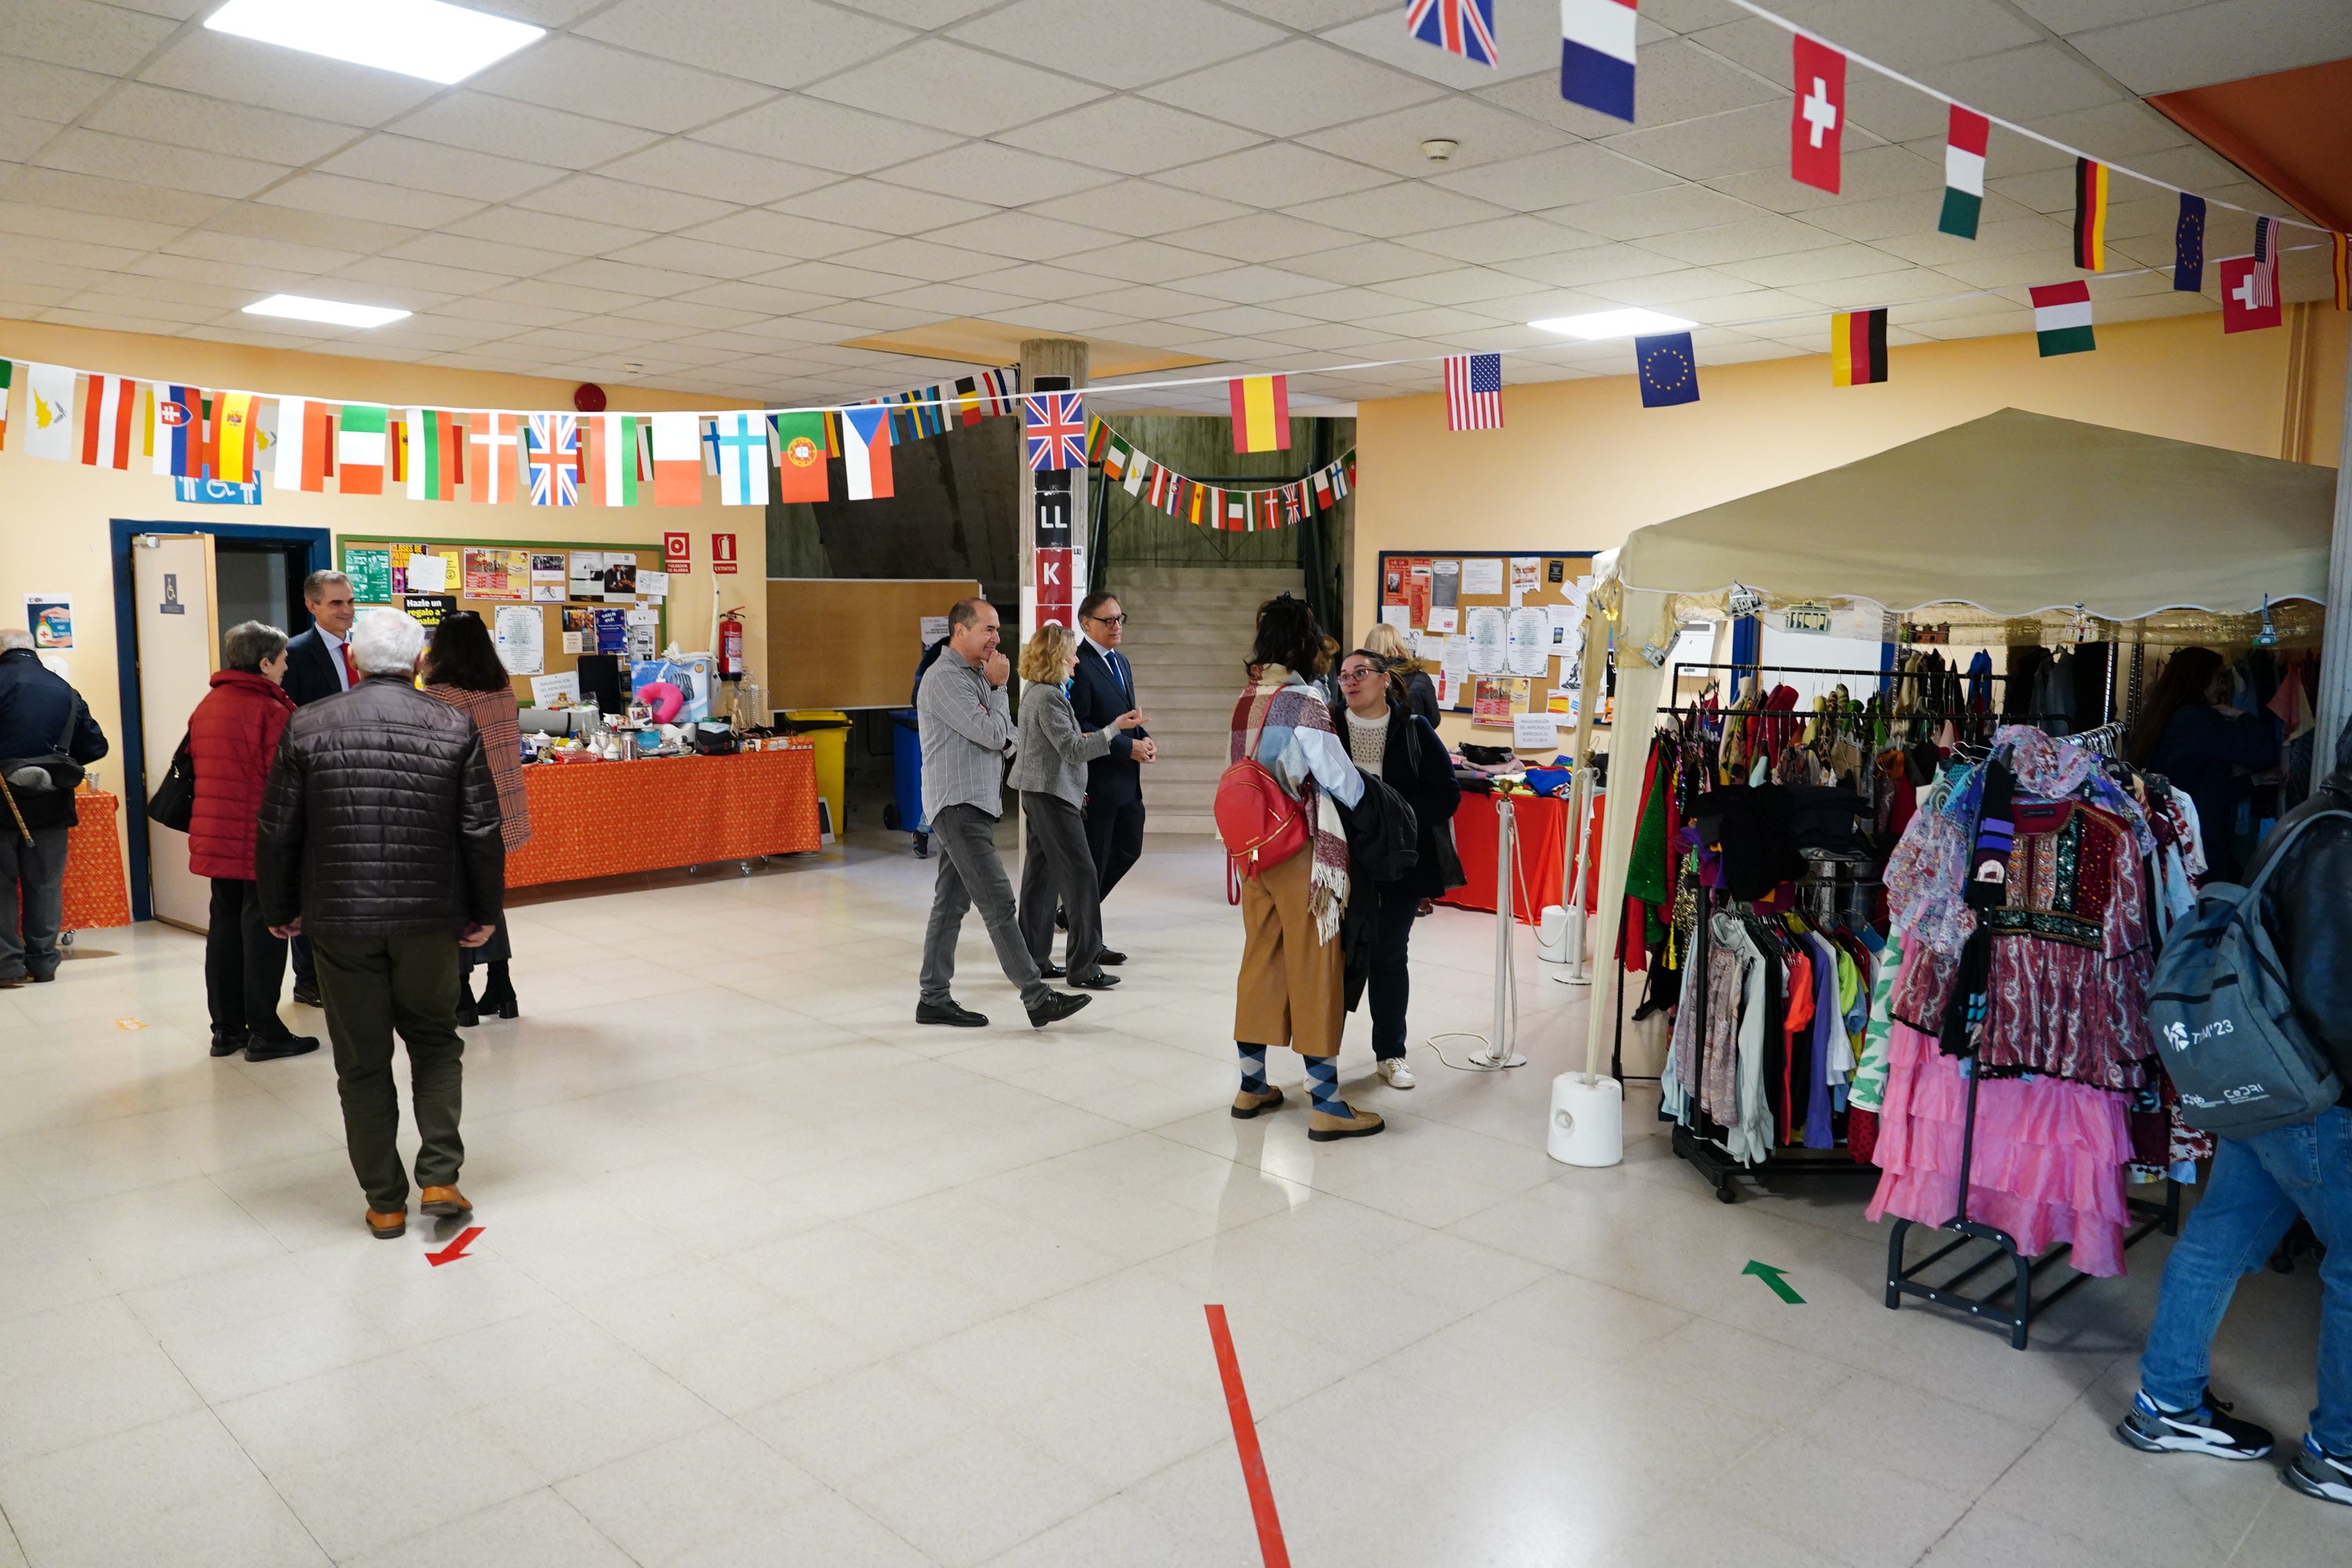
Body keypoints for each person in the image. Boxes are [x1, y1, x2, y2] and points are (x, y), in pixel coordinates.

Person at [2117, 718, 2352, 1508]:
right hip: (2317, 1093)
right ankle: (2341, 1452)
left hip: (2262, 1080)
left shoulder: (2310, 818)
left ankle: (2165, 1402)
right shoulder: (2343, 840)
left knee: (2216, 1241)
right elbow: (2331, 994)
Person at [256, 609, 503, 1240]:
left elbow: (279, 829)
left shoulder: (307, 724)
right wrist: (483, 913)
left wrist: (279, 906)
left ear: (356, 662)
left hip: (339, 920)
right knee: (435, 1040)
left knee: (361, 1060)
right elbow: (479, 829)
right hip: (429, 917)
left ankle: (385, 1201)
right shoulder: (454, 724)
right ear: (418, 662)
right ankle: (441, 1175)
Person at [1228, 595, 1381, 1142]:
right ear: (1304, 643)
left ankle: (1252, 1085)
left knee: (1261, 959)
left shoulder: (1247, 699)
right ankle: (1326, 1103)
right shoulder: (1304, 701)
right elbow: (1339, 778)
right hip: (1301, 849)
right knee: (1317, 966)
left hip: (1254, 852)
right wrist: (1378, 806)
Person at [915, 598, 1091, 1032]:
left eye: (997, 631)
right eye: (988, 630)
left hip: (974, 804)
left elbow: (1009, 736)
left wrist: (997, 713)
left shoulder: (975, 676)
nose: (997, 638)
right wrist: (997, 691)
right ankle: (1036, 996)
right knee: (998, 902)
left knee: (951, 905)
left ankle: (933, 998)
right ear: (960, 632)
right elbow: (995, 733)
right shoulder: (943, 681)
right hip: (957, 805)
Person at [187, 621, 314, 1062]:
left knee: (223, 931)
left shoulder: (209, 704)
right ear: (264, 662)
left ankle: (226, 1029)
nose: (285, 667)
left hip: (215, 833)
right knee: (264, 930)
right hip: (258, 837)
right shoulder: (271, 711)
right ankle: (265, 1030)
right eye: (281, 659)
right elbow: (286, 783)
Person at [1334, 648, 1461, 1090]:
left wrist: (1396, 816)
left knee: (1388, 956)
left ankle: (1390, 1053)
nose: (1350, 681)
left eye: (1360, 673)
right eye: (1344, 675)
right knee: (1335, 959)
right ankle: (1321, 1057)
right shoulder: (1328, 726)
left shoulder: (1413, 728)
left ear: (1385, 679)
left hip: (1401, 863)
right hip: (1340, 864)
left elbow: (1448, 793)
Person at [1011, 623, 1142, 992]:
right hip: (1052, 795)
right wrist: (1114, 729)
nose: (1076, 661)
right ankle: (1083, 966)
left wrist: (1091, 735)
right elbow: (1072, 750)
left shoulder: (1041, 693)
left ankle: (1034, 959)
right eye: (1071, 653)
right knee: (1083, 876)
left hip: (1040, 792)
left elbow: (1063, 742)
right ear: (1056, 657)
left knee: (1041, 877)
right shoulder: (1049, 697)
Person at [423, 612, 530, 1027]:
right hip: (503, 807)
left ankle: (463, 993)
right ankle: (501, 987)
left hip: (461, 810)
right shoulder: (502, 687)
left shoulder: (442, 696)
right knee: (488, 898)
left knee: (458, 903)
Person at [0, 630, 108, 986]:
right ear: (33, 650)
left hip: (0, 803)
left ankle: (7, 965)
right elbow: (95, 746)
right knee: (45, 884)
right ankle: (44, 962)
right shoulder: (64, 690)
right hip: (50, 804)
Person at [2129, 645, 2280, 882]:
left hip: (2175, 840)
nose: (2223, 687)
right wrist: (2241, 715)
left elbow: (2196, 787)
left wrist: (2254, 781)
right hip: (2195, 847)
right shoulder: (2197, 720)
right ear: (2199, 678)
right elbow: (2264, 754)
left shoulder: (2166, 717)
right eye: (2220, 678)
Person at [280, 569, 358, 1007]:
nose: (346, 610)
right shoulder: (294, 654)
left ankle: (349, 968)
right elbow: (290, 725)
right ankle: (308, 978)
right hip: (316, 785)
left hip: (360, 784)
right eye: (335, 603)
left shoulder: (364, 652)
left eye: (349, 602)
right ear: (312, 606)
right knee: (311, 883)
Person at [1069, 590, 1154, 960]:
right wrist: (1124, 747)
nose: (1116, 625)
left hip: (1127, 779)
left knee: (1129, 848)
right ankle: (1089, 943)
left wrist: (1144, 739)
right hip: (1100, 779)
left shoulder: (1122, 661)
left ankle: (1073, 915)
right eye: (1108, 620)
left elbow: (1126, 717)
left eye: (1120, 618)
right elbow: (1082, 725)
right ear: (1086, 624)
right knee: (1096, 861)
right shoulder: (1080, 665)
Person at [1361, 622, 1441, 731]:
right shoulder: (1421, 679)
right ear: (1400, 644)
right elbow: (1433, 720)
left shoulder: (1363, 679)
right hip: (1412, 744)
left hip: (1373, 743)